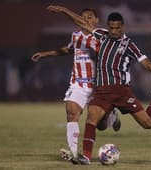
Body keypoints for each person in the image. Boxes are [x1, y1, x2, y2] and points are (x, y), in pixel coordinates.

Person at [47, 5, 151, 165]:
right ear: (108, 26)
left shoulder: (129, 45)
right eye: (111, 28)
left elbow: (148, 65)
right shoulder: (101, 36)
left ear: (122, 27)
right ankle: (86, 157)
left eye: (117, 28)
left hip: (122, 92)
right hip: (102, 91)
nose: (114, 31)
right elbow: (81, 22)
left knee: (148, 124)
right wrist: (63, 10)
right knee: (91, 120)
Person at [31, 8, 121, 162]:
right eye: (83, 17)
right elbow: (69, 50)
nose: (86, 19)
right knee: (71, 113)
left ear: (96, 20)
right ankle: (74, 154)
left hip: (98, 86)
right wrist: (45, 54)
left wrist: (62, 10)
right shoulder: (76, 36)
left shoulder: (102, 35)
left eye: (90, 17)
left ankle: (111, 115)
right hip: (78, 83)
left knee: (100, 126)